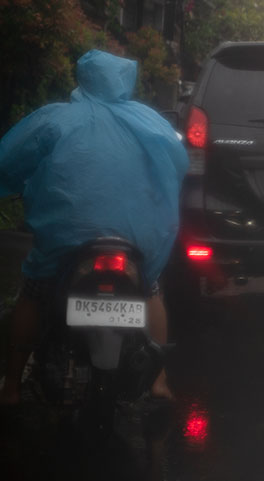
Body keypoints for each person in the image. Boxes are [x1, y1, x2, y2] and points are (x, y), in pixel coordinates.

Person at [0, 50, 187, 404]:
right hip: (135, 242)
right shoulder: (150, 122)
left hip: (66, 240)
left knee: (35, 291)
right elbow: (177, 166)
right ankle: (159, 380)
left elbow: (10, 159)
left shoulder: (56, 118)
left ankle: (10, 386)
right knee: (150, 290)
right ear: (124, 80)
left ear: (83, 78)